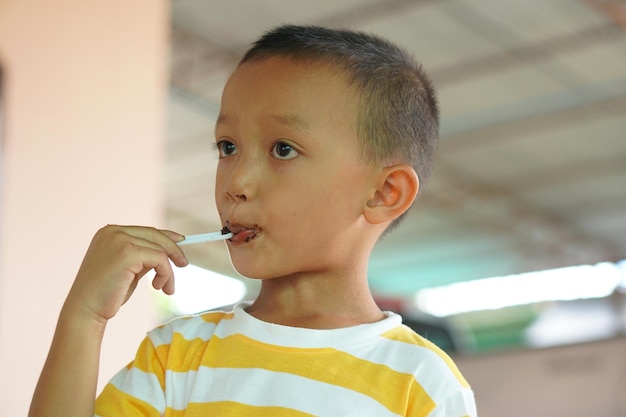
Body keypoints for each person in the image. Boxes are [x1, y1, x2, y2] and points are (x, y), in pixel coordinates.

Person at [29, 25, 477, 417]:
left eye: (283, 149)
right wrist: (84, 317)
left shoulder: (424, 386)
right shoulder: (176, 357)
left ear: (384, 193)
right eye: (227, 147)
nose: (236, 181)